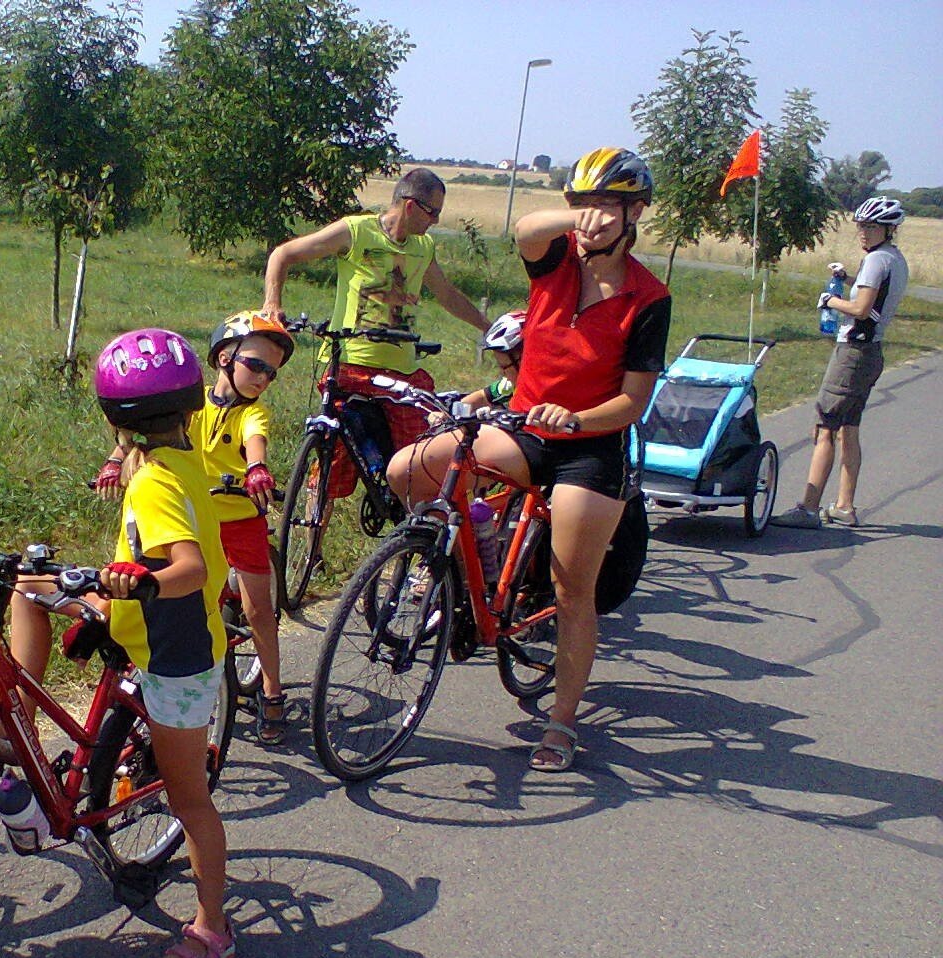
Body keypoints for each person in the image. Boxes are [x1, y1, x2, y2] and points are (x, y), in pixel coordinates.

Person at [387, 148, 670, 772]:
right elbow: (523, 231)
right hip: (524, 428)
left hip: (590, 448)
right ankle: (461, 574)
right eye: (584, 204)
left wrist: (577, 418)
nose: (594, 218)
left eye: (609, 206)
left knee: (574, 591)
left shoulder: (650, 297)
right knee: (408, 469)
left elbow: (632, 400)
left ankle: (562, 721)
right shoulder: (556, 262)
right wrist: (576, 220)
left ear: (635, 214)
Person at [13, 328, 236, 958]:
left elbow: (189, 568)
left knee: (190, 801)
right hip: (136, 618)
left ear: (114, 415)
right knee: (27, 590)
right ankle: (17, 724)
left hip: (178, 652)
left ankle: (212, 928)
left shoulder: (155, 485)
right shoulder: (170, 456)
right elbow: (138, 448)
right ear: (191, 408)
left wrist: (140, 580)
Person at [97, 311, 290, 744]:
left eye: (271, 374)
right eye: (256, 366)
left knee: (258, 608)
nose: (262, 379)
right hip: (193, 516)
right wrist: (113, 462)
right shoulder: (192, 404)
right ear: (224, 356)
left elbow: (255, 442)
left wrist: (257, 468)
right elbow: (143, 428)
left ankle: (272, 689)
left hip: (239, 518)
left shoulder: (252, 415)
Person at [262, 167, 492, 501]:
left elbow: (447, 294)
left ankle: (419, 535)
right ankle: (311, 549)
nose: (436, 221)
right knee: (334, 460)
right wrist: (272, 304)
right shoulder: (356, 231)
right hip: (350, 363)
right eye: (433, 212)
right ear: (410, 205)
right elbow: (284, 254)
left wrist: (489, 327)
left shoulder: (423, 247)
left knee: (419, 461)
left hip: (401, 371)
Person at [776, 196, 910, 529]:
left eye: (872, 227)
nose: (864, 233)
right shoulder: (894, 259)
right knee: (849, 430)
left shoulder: (877, 260)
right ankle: (844, 506)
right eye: (861, 226)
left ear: (889, 229)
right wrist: (848, 278)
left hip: (853, 353)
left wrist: (831, 300)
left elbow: (862, 308)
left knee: (824, 427)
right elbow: (873, 296)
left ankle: (807, 509)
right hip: (871, 352)